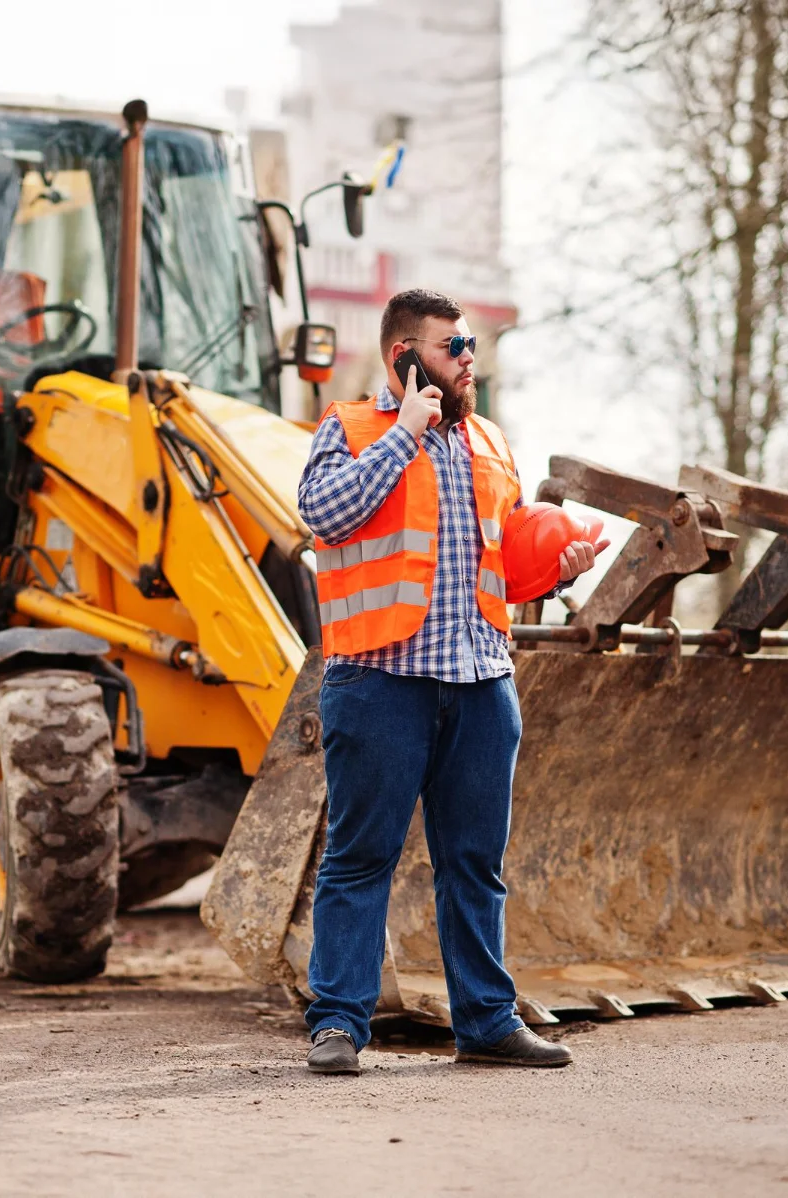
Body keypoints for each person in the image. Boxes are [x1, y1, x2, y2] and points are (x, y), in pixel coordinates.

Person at [296, 288, 608, 1075]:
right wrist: (405, 432)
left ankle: (486, 1021)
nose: (470, 358)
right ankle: (338, 1024)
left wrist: (556, 569)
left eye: (470, 345)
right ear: (404, 356)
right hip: (379, 681)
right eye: (452, 347)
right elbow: (323, 515)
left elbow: (502, 557)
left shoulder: (492, 443)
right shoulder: (351, 428)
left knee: (475, 863)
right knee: (360, 857)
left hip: (480, 679)